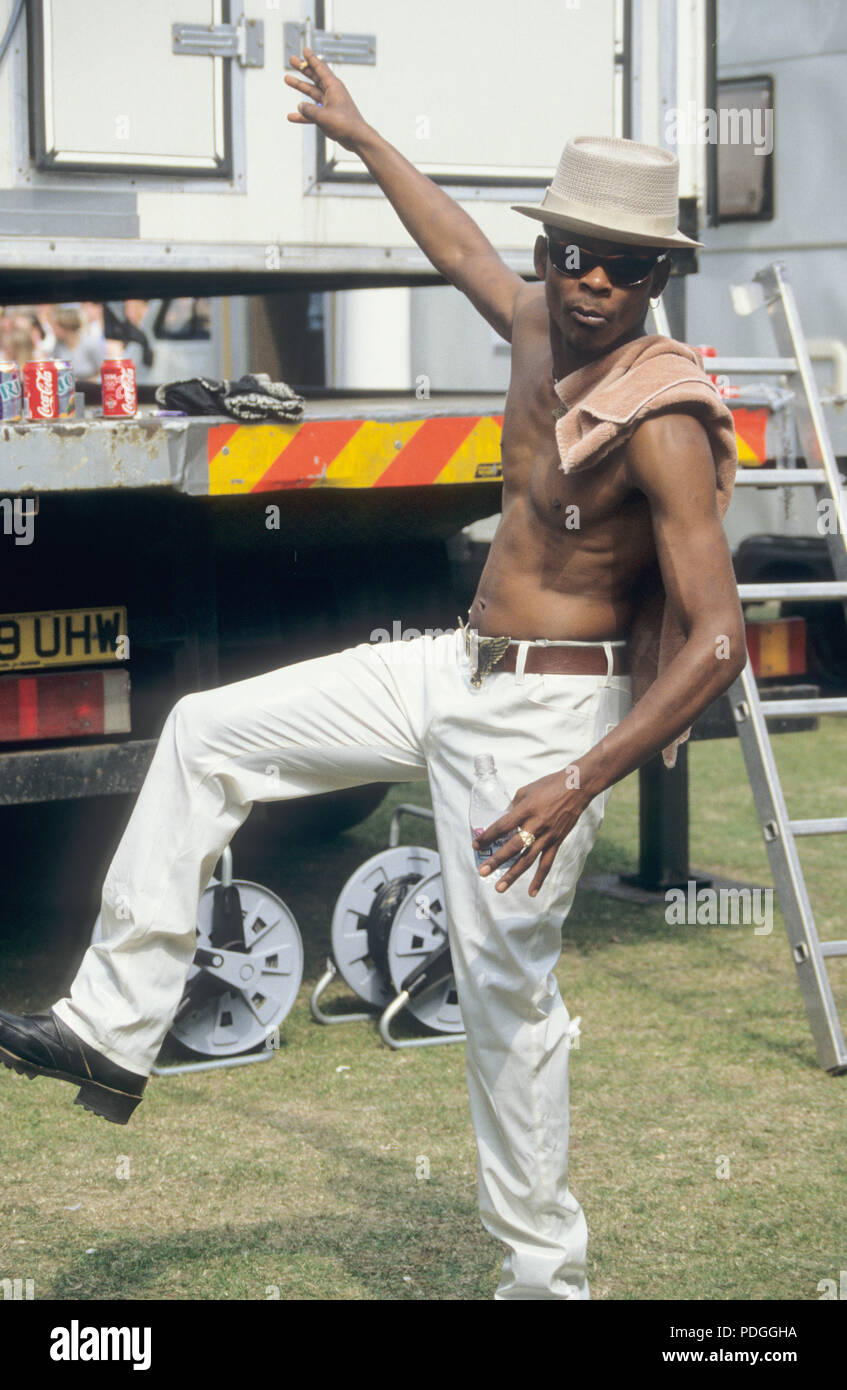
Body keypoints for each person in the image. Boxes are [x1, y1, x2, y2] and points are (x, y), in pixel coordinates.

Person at [0, 50, 746, 1300]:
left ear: (661, 274)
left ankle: (547, 1280)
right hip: (452, 668)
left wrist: (576, 778)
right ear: (554, 249)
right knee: (202, 729)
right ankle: (110, 1035)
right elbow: (453, 239)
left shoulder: (661, 416)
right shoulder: (529, 319)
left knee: (507, 999)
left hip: (548, 721)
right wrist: (358, 135)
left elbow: (718, 635)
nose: (597, 282)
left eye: (628, 264)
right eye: (577, 254)